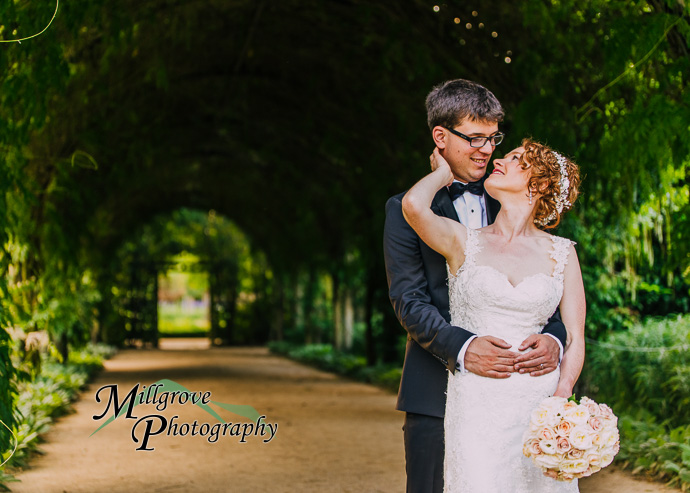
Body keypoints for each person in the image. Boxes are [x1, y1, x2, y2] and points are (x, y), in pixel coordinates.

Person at [383, 79, 568, 492]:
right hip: (435, 390)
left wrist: (554, 341)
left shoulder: (512, 198)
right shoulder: (404, 210)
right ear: (440, 137)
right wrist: (465, 348)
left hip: (519, 394)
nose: (487, 150)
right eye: (475, 138)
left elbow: (549, 292)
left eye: (493, 138)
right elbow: (409, 301)